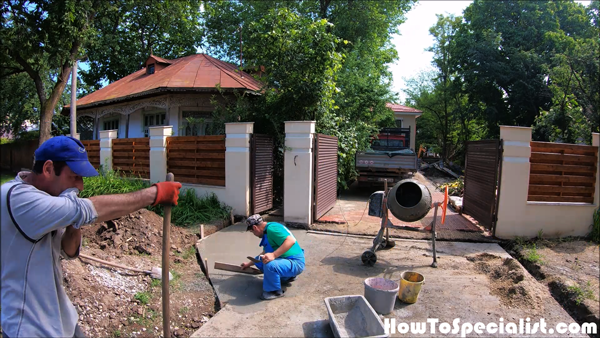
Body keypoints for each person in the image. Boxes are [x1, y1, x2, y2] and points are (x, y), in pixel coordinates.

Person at [0, 136, 182, 338]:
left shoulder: (50, 199)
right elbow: (87, 209)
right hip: (30, 328)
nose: (80, 186)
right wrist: (154, 194)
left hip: (62, 320)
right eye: (74, 177)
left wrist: (72, 219)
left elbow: (69, 251)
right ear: (48, 169)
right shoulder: (18, 199)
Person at [241, 214, 305, 300]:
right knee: (261, 260)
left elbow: (291, 241)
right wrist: (248, 264)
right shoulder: (268, 231)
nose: (254, 234)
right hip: (287, 261)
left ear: (255, 228)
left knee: (269, 264)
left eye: (252, 232)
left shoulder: (272, 229)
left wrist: (273, 255)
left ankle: (274, 291)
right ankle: (288, 277)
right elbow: (265, 252)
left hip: (296, 263)